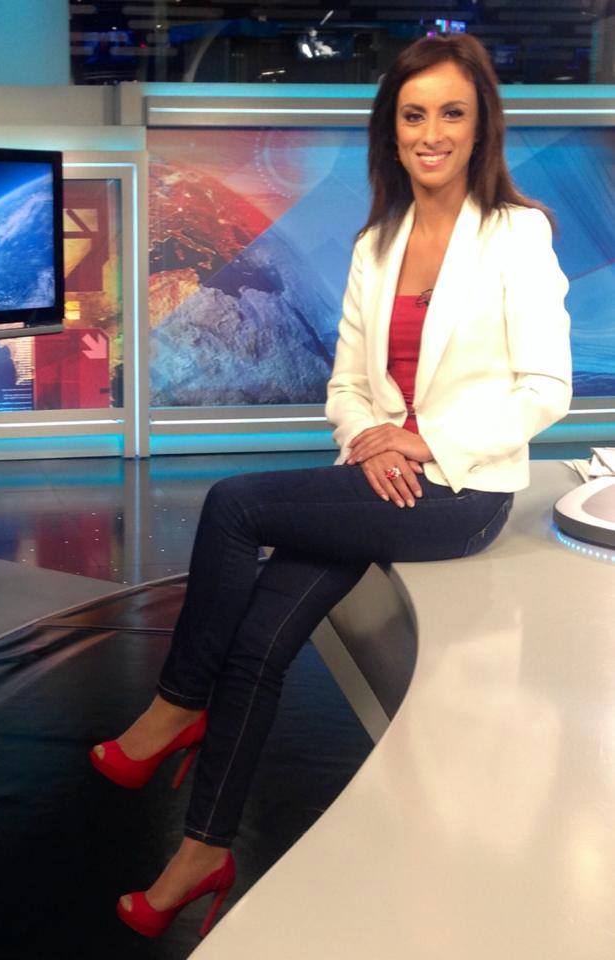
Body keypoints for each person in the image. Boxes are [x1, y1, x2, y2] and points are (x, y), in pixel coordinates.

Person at [90, 31, 572, 940]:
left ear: (481, 127)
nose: (431, 133)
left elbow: (544, 389)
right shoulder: (375, 243)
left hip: (462, 491)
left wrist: (422, 442)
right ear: (391, 130)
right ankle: (201, 855)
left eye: (451, 114)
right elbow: (347, 385)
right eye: (413, 115)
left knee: (235, 505)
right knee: (261, 642)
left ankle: (174, 707)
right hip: (380, 478)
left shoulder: (517, 234)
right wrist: (370, 442)